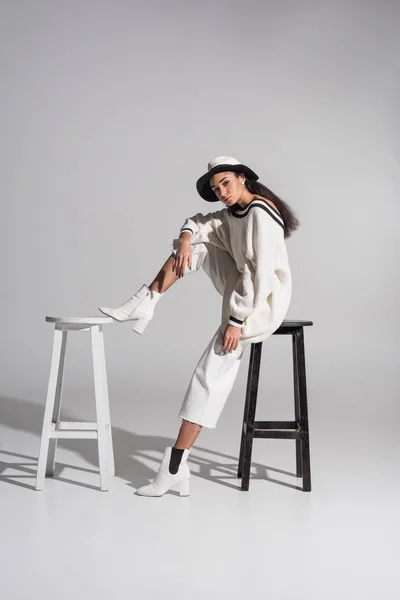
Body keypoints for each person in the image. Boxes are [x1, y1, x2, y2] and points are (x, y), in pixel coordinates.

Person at [99, 156, 300, 497]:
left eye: (225, 183)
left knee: (210, 375)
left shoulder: (261, 215)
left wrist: (236, 321)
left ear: (242, 178)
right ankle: (145, 302)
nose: (221, 191)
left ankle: (175, 466)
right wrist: (185, 238)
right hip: (243, 288)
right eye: (215, 188)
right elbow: (198, 222)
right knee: (197, 243)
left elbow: (260, 276)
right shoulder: (235, 211)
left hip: (261, 303)